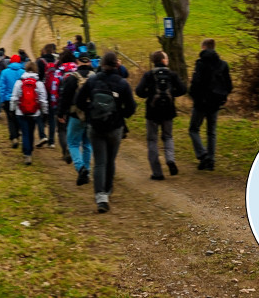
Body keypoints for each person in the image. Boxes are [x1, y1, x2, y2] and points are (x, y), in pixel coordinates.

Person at [77, 52, 136, 213]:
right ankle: (108, 189)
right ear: (117, 65)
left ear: (101, 64)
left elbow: (79, 101)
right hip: (115, 128)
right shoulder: (122, 84)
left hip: (95, 127)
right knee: (111, 160)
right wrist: (120, 115)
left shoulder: (92, 80)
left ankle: (100, 197)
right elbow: (131, 108)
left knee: (100, 162)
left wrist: (90, 112)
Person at [135, 50, 187, 180]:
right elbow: (183, 89)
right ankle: (170, 159)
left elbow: (139, 91)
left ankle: (157, 172)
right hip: (168, 110)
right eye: (166, 57)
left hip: (152, 111)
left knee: (152, 140)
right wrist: (171, 95)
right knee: (168, 137)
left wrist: (150, 94)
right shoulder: (172, 74)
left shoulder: (148, 75)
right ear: (163, 60)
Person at [187, 39, 233, 171]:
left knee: (193, 129)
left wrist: (193, 95)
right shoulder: (223, 64)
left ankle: (203, 154)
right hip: (215, 102)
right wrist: (223, 97)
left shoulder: (200, 63)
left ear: (204, 47)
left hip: (201, 102)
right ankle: (211, 160)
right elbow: (229, 85)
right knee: (211, 132)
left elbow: (196, 83)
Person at [59, 61, 95, 185]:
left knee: (73, 143)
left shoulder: (72, 78)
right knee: (87, 144)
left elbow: (65, 97)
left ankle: (81, 168)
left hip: (75, 115)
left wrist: (61, 113)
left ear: (78, 63)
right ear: (89, 62)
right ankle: (88, 172)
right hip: (91, 116)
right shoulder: (95, 77)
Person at [7, 61, 49, 165]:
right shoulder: (39, 83)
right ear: (36, 70)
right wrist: (45, 112)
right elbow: (43, 100)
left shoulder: (19, 82)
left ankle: (27, 154)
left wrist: (12, 110)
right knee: (31, 131)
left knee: (25, 132)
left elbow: (14, 98)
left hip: (21, 112)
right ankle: (29, 150)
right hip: (34, 112)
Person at [0, 55, 26, 144]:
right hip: (20, 99)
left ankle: (14, 137)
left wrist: (1, 100)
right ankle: (18, 133)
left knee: (10, 118)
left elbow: (1, 87)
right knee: (19, 117)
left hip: (8, 99)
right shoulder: (23, 72)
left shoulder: (4, 72)